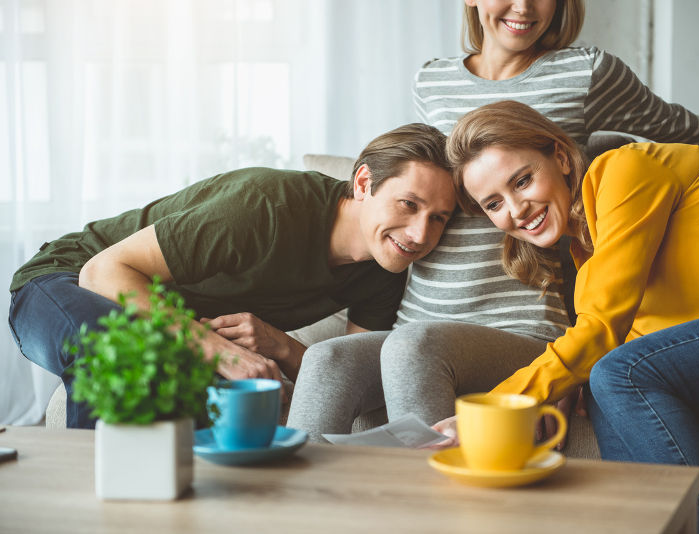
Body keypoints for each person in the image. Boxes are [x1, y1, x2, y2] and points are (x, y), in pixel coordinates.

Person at [288, 0, 699, 443]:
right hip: (426, 309)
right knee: (327, 359)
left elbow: (680, 127)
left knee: (412, 350)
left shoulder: (588, 74)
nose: (525, 7)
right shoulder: (431, 80)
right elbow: (412, 189)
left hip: (519, 316)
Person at [440, 99, 699, 534]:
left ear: (559, 156)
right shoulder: (590, 258)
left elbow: (602, 331)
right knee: (601, 381)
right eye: (494, 204)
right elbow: (609, 338)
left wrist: (500, 407)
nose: (516, 210)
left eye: (522, 180)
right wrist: (572, 381)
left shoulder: (625, 170)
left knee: (616, 373)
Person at [7, 123, 457, 429]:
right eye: (408, 204)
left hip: (158, 322)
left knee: (225, 398)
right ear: (363, 184)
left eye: (438, 218)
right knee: (119, 353)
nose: (420, 234)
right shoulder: (264, 206)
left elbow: (351, 375)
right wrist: (214, 348)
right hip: (61, 280)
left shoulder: (387, 266)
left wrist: (279, 344)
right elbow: (103, 270)